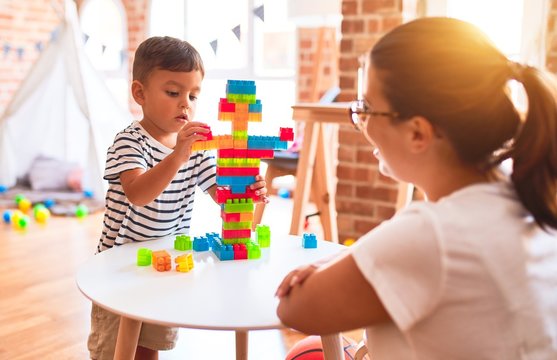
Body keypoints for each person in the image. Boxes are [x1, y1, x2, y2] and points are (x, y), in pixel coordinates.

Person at [276, 17, 557, 359]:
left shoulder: (433, 234)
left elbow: (295, 310)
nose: (361, 123)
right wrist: (356, 255)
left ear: (417, 133)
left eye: (366, 109)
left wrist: (347, 259)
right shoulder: (523, 191)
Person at [87, 36, 268, 360]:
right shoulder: (129, 143)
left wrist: (247, 193)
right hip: (119, 268)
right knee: (115, 351)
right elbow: (139, 194)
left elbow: (223, 199)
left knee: (150, 347)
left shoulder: (194, 150)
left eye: (193, 95)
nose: (185, 104)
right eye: (173, 93)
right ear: (140, 93)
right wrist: (177, 156)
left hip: (165, 264)